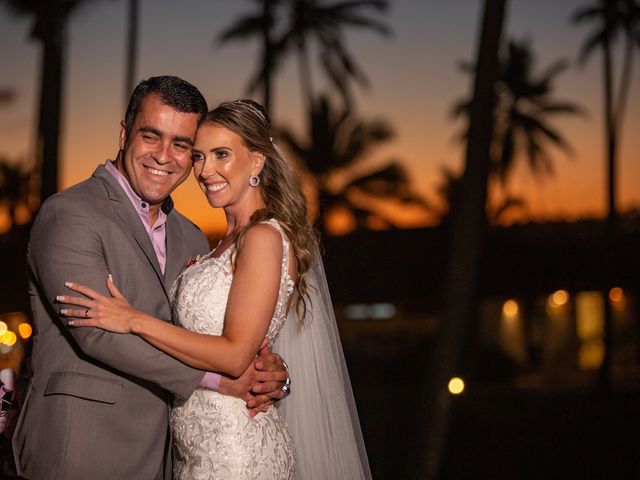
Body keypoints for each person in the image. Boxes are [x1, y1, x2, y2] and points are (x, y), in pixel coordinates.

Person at [60, 99, 372, 479]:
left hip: (235, 454)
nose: (206, 170)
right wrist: (275, 375)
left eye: (221, 155)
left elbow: (235, 355)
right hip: (194, 449)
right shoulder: (212, 245)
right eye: (199, 157)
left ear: (257, 161)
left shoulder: (262, 236)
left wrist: (133, 320)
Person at [13, 76, 288, 480]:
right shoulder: (70, 213)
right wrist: (219, 379)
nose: (164, 156)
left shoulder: (192, 235)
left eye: (182, 145)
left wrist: (269, 374)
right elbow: (97, 333)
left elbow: (204, 334)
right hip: (84, 447)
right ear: (125, 134)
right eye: (151, 136)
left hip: (172, 453)